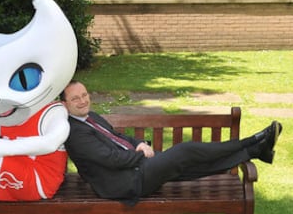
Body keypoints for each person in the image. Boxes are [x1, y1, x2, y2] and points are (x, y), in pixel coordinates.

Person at [60, 80, 282, 205]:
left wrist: (140, 143)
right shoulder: (74, 132)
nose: (82, 101)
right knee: (186, 150)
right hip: (126, 181)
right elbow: (110, 159)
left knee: (189, 166)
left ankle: (254, 151)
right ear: (64, 104)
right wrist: (142, 155)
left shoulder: (91, 117)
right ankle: (252, 141)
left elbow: (120, 138)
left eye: (84, 94)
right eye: (75, 98)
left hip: (136, 168)